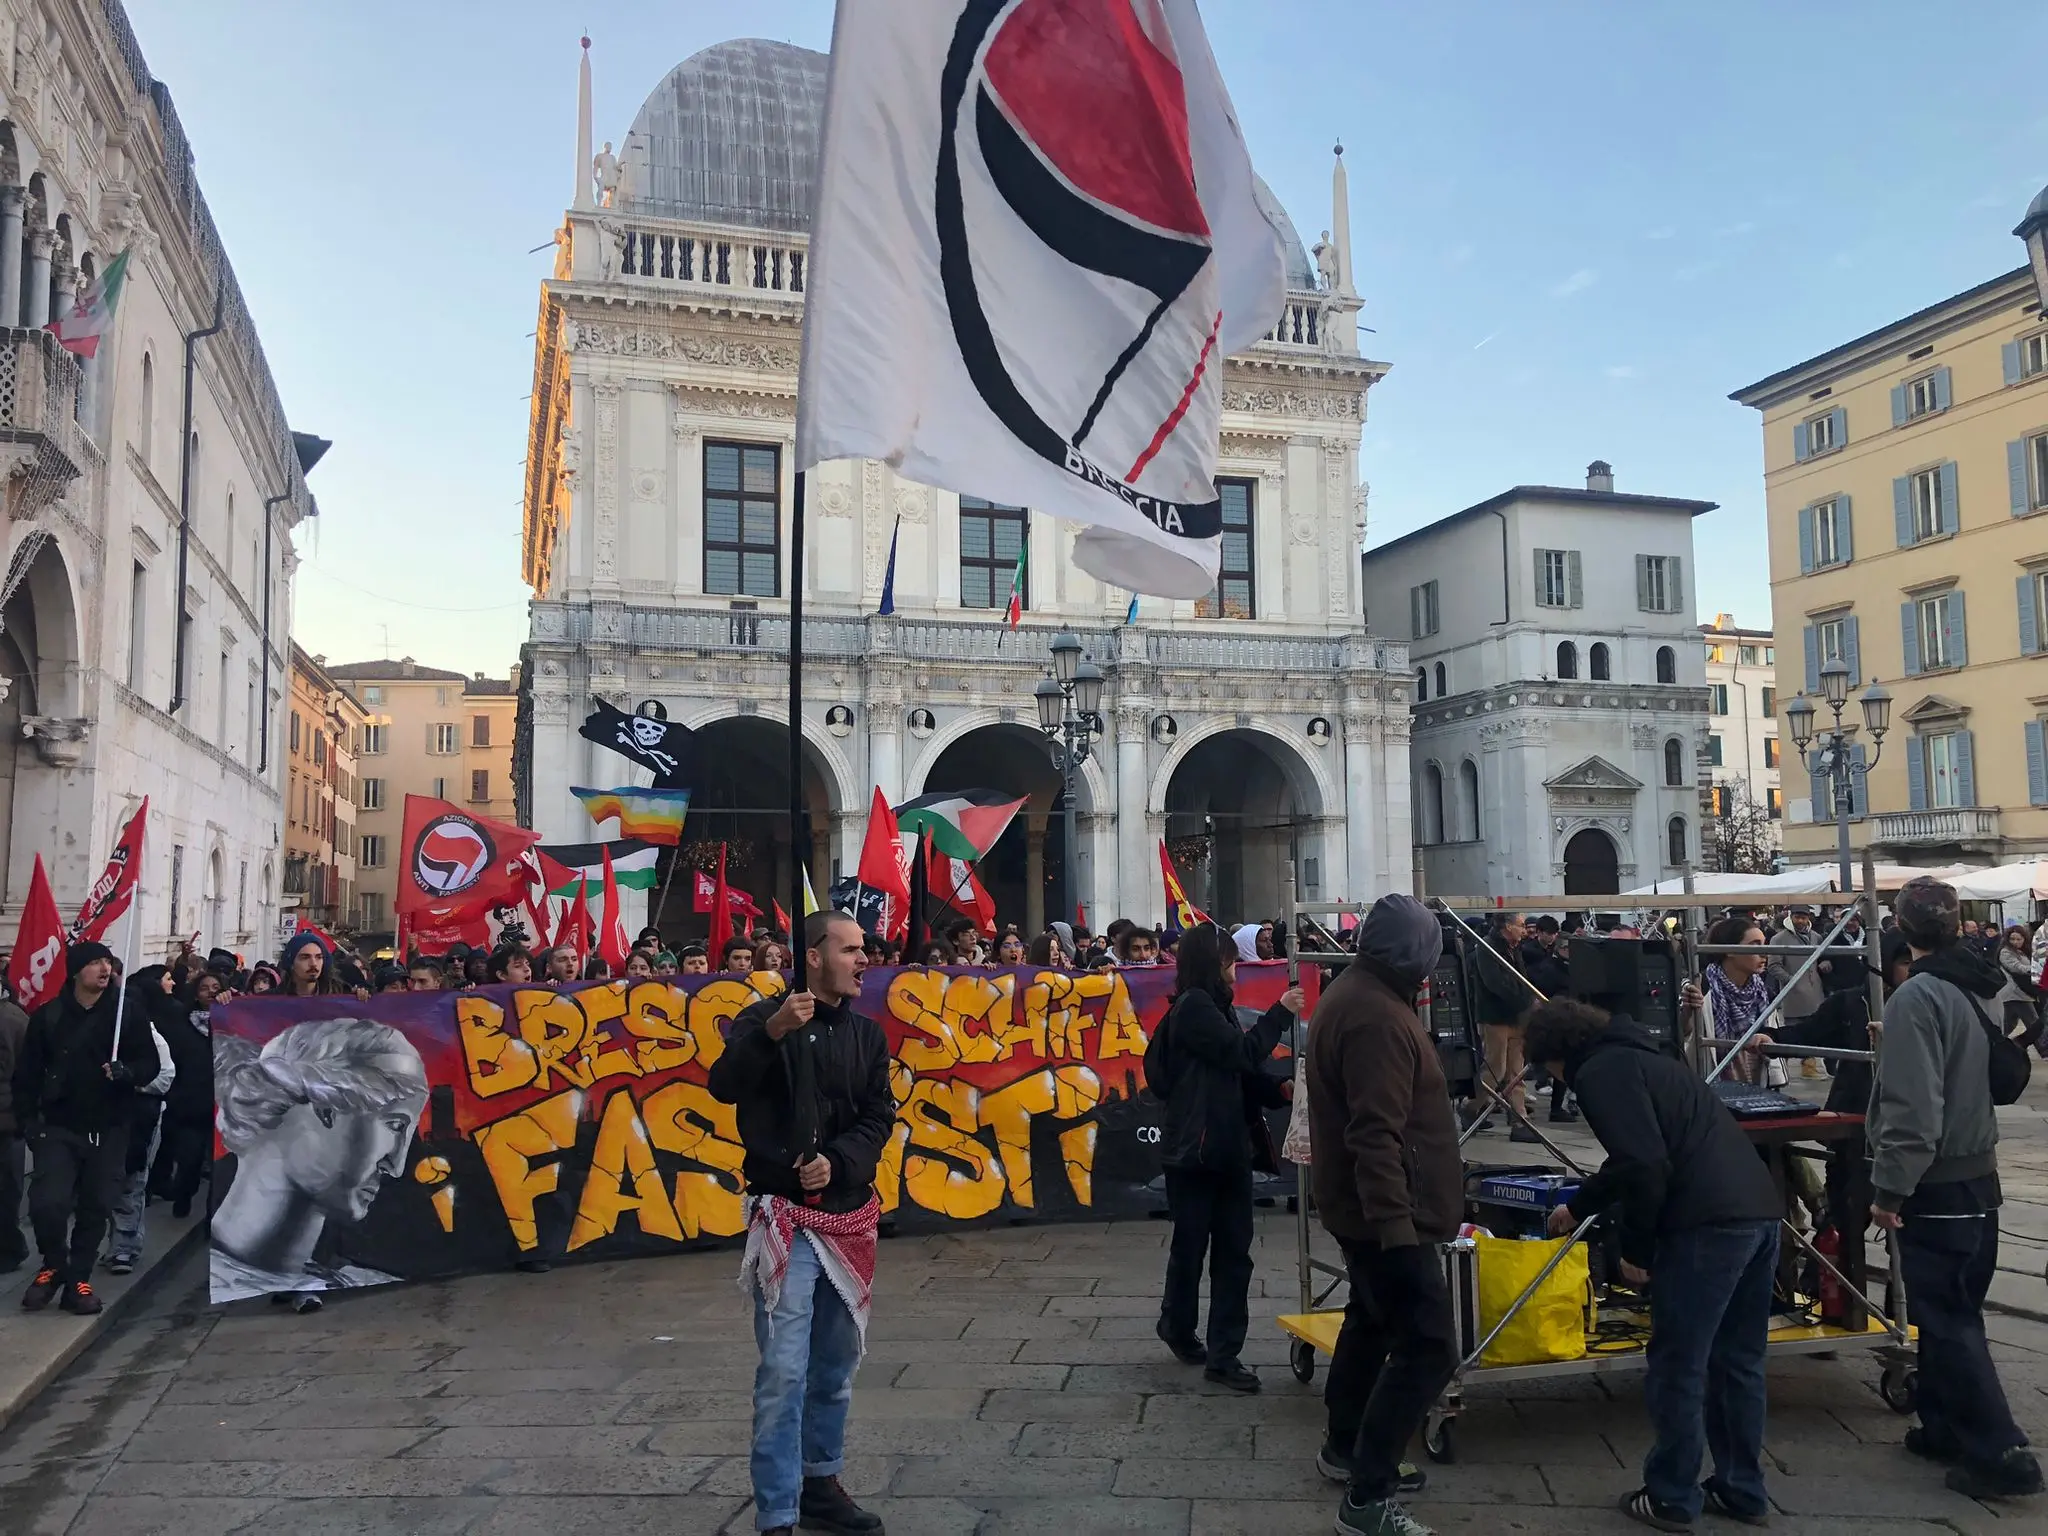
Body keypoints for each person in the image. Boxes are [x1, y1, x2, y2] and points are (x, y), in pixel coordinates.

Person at [1526, 997, 1780, 1530]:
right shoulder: (1647, 1056)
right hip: (1758, 1210)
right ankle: (1742, 1489)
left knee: (1678, 1364)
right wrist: (1581, 1204)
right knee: (1738, 1360)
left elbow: (1643, 1163)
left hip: (1704, 1224)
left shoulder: (1599, 1072)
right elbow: (1636, 1157)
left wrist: (1637, 1251)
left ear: (1556, 1055)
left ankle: (1672, 1495)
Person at [707, 912, 892, 1536]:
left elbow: (878, 1116)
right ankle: (777, 1510)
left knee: (835, 1366)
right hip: (784, 1217)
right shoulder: (763, 1019)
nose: (863, 960)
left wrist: (838, 1161)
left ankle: (821, 1480)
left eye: (864, 949)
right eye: (850, 950)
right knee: (784, 1371)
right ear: (813, 957)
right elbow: (723, 1085)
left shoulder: (868, 1035)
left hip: (846, 1214)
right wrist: (773, 1033)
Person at [1868, 878, 2045, 1500]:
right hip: (1979, 1174)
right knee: (1952, 1309)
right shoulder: (1982, 984)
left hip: (1937, 1181)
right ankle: (1943, 1425)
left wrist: (1889, 1190)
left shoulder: (1917, 997)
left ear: (1901, 929)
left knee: (1946, 1318)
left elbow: (1914, 1109)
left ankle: (2002, 1453)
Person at [1304, 894, 1460, 1536]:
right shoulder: (1377, 1016)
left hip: (1364, 1206)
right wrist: (1397, 1226)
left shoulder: (1358, 994)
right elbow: (1375, 1132)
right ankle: (1368, 1497)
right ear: (1415, 955)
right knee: (1429, 1348)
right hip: (1388, 1214)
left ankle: (1344, 1445)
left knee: (1370, 1323)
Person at [1144, 923, 1301, 1393]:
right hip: (1200, 1150)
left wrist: (1275, 1089)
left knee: (1227, 1252)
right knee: (1201, 1250)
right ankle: (1193, 1335)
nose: (1236, 966)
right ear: (1213, 962)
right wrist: (1280, 1012)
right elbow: (1242, 1052)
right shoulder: (1196, 1007)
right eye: (1229, 957)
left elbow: (1237, 1070)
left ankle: (1217, 1349)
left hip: (1223, 1147)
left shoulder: (1213, 1006)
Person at [210, 1018, 429, 1308]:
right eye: (395, 1125)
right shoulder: (220, 1274)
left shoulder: (357, 1277)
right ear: (325, 1108)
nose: (396, 1166)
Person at [12, 942, 163, 1315]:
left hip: (108, 1126)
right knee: (48, 1204)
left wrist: (127, 1073)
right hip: (58, 1127)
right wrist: (28, 1122)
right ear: (77, 970)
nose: (104, 968)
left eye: (107, 962)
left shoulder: (127, 1014)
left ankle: (78, 1279)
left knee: (96, 1205)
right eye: (95, 962)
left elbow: (150, 1064)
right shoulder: (49, 1016)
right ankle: (53, 1264)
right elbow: (27, 1075)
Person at [105, 968, 180, 1274]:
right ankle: (114, 1242)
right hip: (109, 1119)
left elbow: (165, 1077)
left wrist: (132, 1082)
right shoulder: (107, 1035)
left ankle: (125, 1248)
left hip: (142, 1118)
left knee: (132, 1183)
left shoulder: (152, 1038)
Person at [148, 965, 217, 1221]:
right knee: (190, 1160)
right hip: (190, 1105)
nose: (210, 992)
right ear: (196, 994)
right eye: (204, 988)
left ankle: (213, 1215)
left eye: (216, 988)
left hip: (222, 1106)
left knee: (220, 1167)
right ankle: (184, 1194)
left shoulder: (231, 1025)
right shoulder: (182, 1023)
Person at [1466, 912, 1540, 1143]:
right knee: (1495, 1069)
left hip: (1517, 1017)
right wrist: (1525, 1000)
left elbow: (1522, 977)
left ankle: (1519, 1120)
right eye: (1520, 925)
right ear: (1507, 926)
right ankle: (1471, 1106)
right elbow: (1496, 984)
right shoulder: (1486, 948)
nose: (1524, 930)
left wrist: (1528, 1001)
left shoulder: (1514, 947)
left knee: (1516, 1072)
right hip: (1495, 1017)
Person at [1688, 917, 1778, 1086]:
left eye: (1764, 944)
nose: (1764, 953)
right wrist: (1687, 1011)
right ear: (1729, 950)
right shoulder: (1702, 987)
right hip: (1713, 1082)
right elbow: (1685, 1035)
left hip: (1756, 1082)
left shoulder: (1764, 993)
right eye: (1755, 945)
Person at [1769, 906, 1828, 1080]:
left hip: (1815, 991)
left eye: (1804, 917)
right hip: (1793, 993)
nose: (1800, 921)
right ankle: (1781, 1070)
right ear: (1791, 917)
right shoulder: (1779, 939)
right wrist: (1791, 980)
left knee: (1813, 1029)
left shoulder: (1816, 937)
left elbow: (1822, 958)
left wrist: (1825, 964)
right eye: (1797, 917)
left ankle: (1809, 1067)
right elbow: (1773, 965)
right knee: (1791, 1031)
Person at [0, 976, 27, 1274]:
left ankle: (9, 1248)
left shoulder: (12, 1019)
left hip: (7, 1120)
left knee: (6, 1191)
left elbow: (26, 1071)